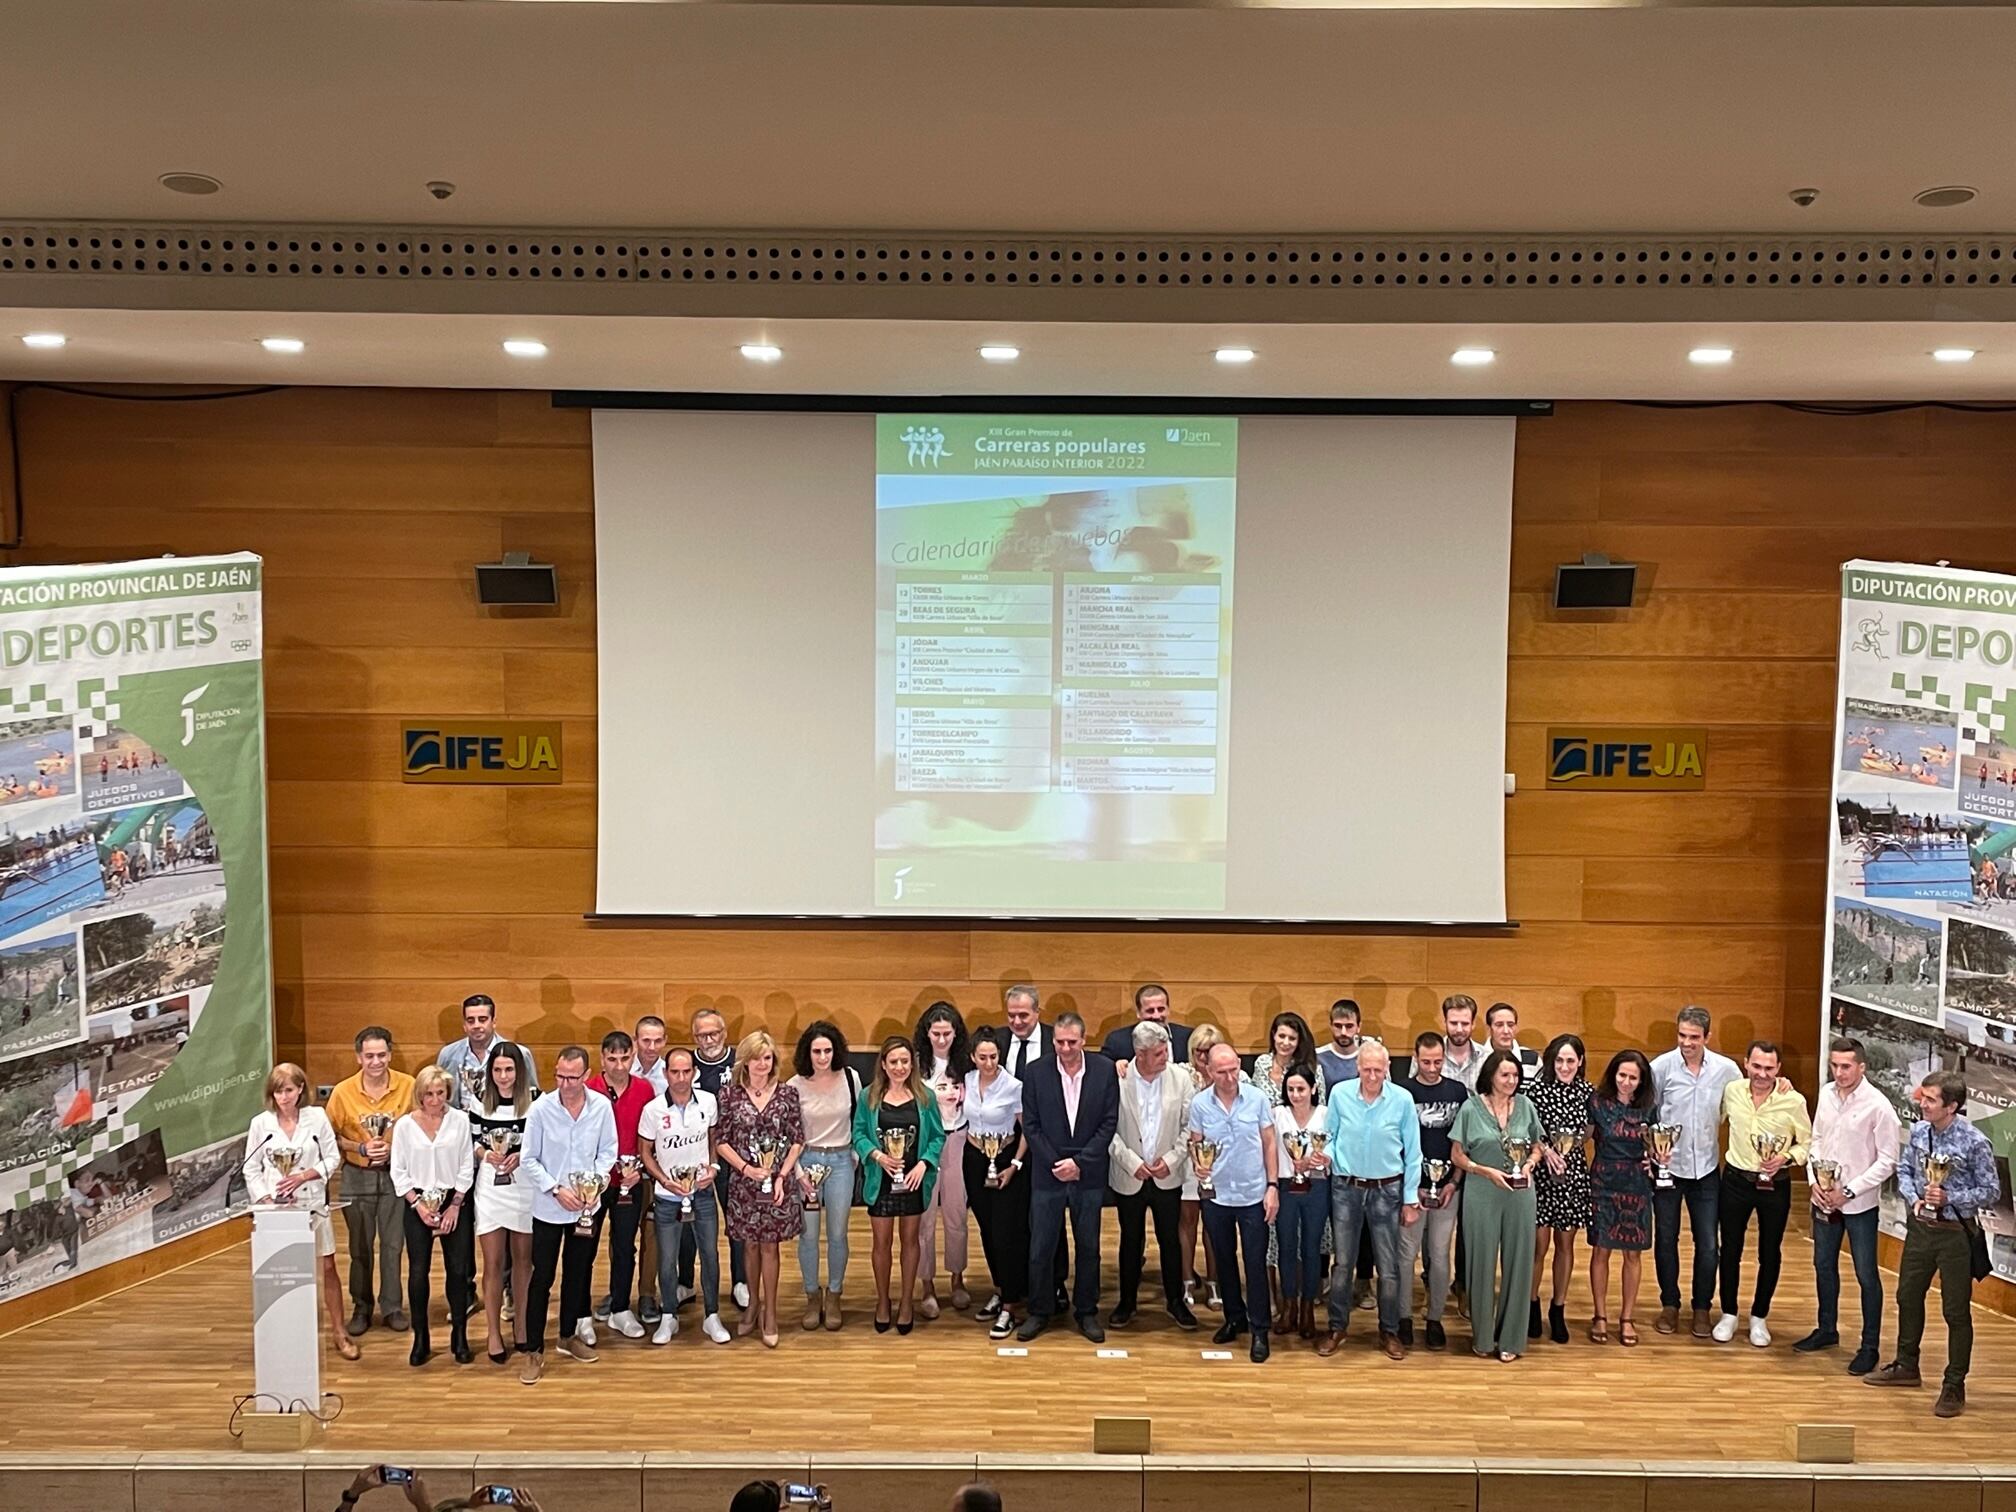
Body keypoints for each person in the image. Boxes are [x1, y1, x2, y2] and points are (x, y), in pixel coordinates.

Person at [1868, 1071, 2000, 1417]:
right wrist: (1914, 1200)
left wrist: (1949, 1197)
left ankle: (1954, 1384)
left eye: (1930, 1100)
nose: (1921, 1103)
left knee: (1955, 1311)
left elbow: (1991, 1191)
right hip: (1920, 1230)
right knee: (1907, 1295)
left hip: (1956, 1234)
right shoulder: (1920, 1131)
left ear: (1952, 1106)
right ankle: (1906, 1364)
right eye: (1923, 1097)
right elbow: (1907, 1172)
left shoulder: (1974, 1142)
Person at [1799, 1037, 1902, 1373]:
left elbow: (1888, 1160)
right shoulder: (1827, 1095)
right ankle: (1826, 1329)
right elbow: (1816, 1140)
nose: (1839, 1072)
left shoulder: (1879, 1106)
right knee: (1822, 1265)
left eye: (1846, 1066)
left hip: (1859, 1205)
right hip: (1824, 1198)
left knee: (1866, 1274)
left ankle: (1869, 1346)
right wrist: (1815, 1182)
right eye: (1834, 1065)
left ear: (1862, 1067)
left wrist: (1851, 1191)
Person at [1017, 1011, 1120, 1342]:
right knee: (1040, 1246)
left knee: (1088, 1246)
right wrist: (1056, 1162)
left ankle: (1086, 1311)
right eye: (1059, 1042)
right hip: (1048, 1172)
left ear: (1084, 1039)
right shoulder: (1035, 1073)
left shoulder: (1104, 1071)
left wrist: (1081, 1162)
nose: (1064, 1048)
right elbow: (1030, 1125)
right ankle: (1040, 1310)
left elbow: (1109, 1121)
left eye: (1071, 1042)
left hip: (1088, 1173)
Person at [518, 1045, 617, 1384]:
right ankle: (533, 1350)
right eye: (560, 1076)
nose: (565, 1083)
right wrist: (555, 1189)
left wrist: (594, 1186)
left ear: (586, 1075)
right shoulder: (541, 1109)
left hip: (586, 1208)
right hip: (549, 1207)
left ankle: (567, 1336)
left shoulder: (601, 1107)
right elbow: (528, 1159)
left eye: (573, 1077)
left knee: (578, 1273)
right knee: (542, 1277)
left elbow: (608, 1152)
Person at [244, 1063, 355, 1360]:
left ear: (301, 1090)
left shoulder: (316, 1118)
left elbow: (332, 1158)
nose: (284, 1097)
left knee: (328, 1267)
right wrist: (265, 1198)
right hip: (275, 1211)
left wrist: (305, 1176)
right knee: (283, 1270)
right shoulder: (261, 1124)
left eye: (289, 1090)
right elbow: (251, 1168)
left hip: (312, 1204)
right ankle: (285, 1334)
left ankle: (339, 1331)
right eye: (278, 1091)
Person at [1318, 1040, 1421, 1360]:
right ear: (1357, 1068)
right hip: (1346, 1188)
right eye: (1367, 1069)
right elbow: (1330, 1137)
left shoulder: (1402, 1100)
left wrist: (1409, 1199)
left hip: (1387, 1190)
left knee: (1388, 1268)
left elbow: (1413, 1153)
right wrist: (1325, 1156)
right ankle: (1337, 1326)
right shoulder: (1340, 1094)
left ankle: (1389, 1330)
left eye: (1378, 1070)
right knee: (1343, 1264)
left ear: (1388, 1068)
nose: (1373, 1076)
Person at [1649, 1005, 1742, 1338]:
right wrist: (1652, 1152)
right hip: (1668, 1171)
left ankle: (1702, 1306)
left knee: (1707, 1244)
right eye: (1682, 1035)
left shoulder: (1727, 1071)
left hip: (1706, 1170)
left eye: (1694, 1037)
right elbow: (1648, 1113)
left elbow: (1745, 1105)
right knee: (1665, 1239)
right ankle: (1670, 1305)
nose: (1687, 1043)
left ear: (1707, 1036)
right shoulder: (1660, 1067)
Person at [1713, 1040, 1811, 1348]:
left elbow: (1808, 1144)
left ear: (1779, 1069)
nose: (1762, 1074)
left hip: (1775, 1183)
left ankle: (1759, 1316)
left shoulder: (1793, 1100)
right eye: (1757, 1066)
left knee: (1770, 1252)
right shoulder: (1732, 1092)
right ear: (1746, 1063)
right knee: (1729, 1248)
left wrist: (1786, 1157)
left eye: (1769, 1068)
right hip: (1735, 1180)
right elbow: (1713, 1119)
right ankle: (1728, 1313)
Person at [1451, 1049, 1543, 1362]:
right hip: (1481, 1191)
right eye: (1505, 1075)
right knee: (1481, 1262)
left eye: (1515, 1075)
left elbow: (1537, 1146)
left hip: (1520, 1195)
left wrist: (1529, 1164)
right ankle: (1483, 1336)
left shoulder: (1527, 1106)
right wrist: (1483, 1170)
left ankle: (1511, 1339)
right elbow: (1457, 1155)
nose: (1511, 1080)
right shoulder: (1470, 1108)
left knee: (1519, 1263)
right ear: (1490, 1075)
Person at [636, 1047, 732, 1347]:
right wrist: (663, 1179)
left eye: (686, 1071)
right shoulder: (652, 1110)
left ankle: (712, 1315)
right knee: (666, 1259)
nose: (680, 1078)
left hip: (702, 1192)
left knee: (710, 1256)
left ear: (694, 1073)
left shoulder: (708, 1101)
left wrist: (714, 1168)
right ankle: (669, 1316)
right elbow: (645, 1152)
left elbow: (715, 1138)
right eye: (674, 1072)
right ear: (666, 1074)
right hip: (667, 1197)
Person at [1189, 1042, 1279, 1362]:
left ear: (1239, 1064)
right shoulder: (1200, 1104)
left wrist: (1272, 1186)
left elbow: (1270, 1143)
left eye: (1232, 1070)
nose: (1228, 1077)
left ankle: (1259, 1329)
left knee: (1254, 1263)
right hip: (1217, 1195)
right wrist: (1198, 1164)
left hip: (1254, 1193)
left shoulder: (1256, 1098)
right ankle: (1233, 1317)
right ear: (1209, 1071)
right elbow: (1196, 1144)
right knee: (1223, 1260)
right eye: (1221, 1072)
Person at [717, 1030, 805, 1348]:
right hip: (743, 1183)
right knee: (749, 1246)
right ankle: (752, 1303)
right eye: (756, 1058)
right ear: (745, 1060)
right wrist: (745, 1168)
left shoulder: (787, 1094)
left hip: (778, 1183)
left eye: (767, 1058)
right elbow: (721, 1140)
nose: (761, 1064)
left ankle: (770, 1312)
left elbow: (798, 1138)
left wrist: (781, 1175)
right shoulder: (729, 1095)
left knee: (771, 1246)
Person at [326, 1025, 416, 1336]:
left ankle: (392, 1306)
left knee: (393, 1245)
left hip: (394, 1177)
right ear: (358, 1057)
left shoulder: (409, 1087)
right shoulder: (342, 1092)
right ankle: (361, 1307)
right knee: (359, 1247)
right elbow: (329, 1137)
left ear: (390, 1055)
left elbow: (421, 1128)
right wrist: (359, 1147)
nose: (376, 1062)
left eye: (381, 1055)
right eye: (369, 1056)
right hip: (356, 1175)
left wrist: (396, 1149)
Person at [1108, 1020, 1197, 1331]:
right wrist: (1131, 1161)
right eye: (1159, 1053)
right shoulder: (1115, 1079)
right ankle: (1127, 1303)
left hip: (1167, 1175)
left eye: (1166, 1050)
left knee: (1170, 1240)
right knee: (1130, 1240)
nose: (1165, 1057)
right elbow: (1106, 1127)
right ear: (1140, 1054)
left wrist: (1171, 1160)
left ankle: (1175, 1301)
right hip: (1129, 1173)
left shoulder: (1181, 1079)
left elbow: (1190, 1127)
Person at [853, 1033, 945, 1334]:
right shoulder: (869, 1096)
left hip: (914, 1181)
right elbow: (859, 1135)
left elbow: (937, 1136)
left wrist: (923, 1164)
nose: (900, 1067)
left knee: (910, 1241)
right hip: (881, 1181)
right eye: (894, 1061)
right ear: (883, 1063)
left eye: (905, 1061)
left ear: (912, 1064)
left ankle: (906, 1301)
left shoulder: (925, 1097)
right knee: (882, 1243)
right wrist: (877, 1156)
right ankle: (883, 1301)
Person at [390, 1065, 475, 1367]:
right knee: (417, 1272)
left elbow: (467, 1164)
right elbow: (397, 1170)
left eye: (441, 1093)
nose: (435, 1100)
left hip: (455, 1202)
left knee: (458, 1270)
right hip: (418, 1203)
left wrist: (455, 1205)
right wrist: (418, 1206)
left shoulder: (460, 1121)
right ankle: (421, 1337)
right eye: (429, 1094)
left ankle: (460, 1336)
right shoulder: (404, 1126)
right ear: (420, 1095)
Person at [788, 1020, 859, 1331]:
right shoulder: (794, 1085)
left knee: (838, 1234)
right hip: (807, 1162)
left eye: (828, 1050)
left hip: (842, 1160)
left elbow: (860, 1119)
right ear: (808, 1052)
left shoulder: (851, 1078)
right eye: (816, 1051)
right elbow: (790, 1134)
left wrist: (854, 1156)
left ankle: (834, 1294)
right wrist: (799, 1171)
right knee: (808, 1234)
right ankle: (811, 1295)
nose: (822, 1057)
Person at [1397, 1032, 1466, 1351]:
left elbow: (1463, 1143)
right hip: (1412, 1189)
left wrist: (1453, 1182)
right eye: (1426, 1062)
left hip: (1447, 1189)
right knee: (1406, 1255)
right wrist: (1410, 1190)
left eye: (1438, 1061)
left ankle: (1434, 1317)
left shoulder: (1457, 1090)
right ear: (1415, 1058)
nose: (1432, 1067)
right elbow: (1396, 1145)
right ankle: (1403, 1318)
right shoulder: (1402, 1093)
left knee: (1439, 1255)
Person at [587, 1030, 656, 1342]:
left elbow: (649, 1138)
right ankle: (578, 1312)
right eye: (611, 1058)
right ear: (602, 1059)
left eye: (624, 1058)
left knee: (625, 1246)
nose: (618, 1065)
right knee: (583, 1247)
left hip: (630, 1181)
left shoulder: (644, 1089)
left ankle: (619, 1308)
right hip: (592, 1185)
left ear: (632, 1058)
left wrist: (638, 1170)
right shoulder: (589, 1089)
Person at [468, 1041, 534, 1364]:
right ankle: (493, 1332)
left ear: (518, 1071)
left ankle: (521, 1324)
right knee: (492, 1264)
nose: (504, 1076)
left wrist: (521, 1156)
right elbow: (473, 1141)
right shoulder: (479, 1101)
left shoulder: (535, 1101)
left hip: (524, 1187)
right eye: (497, 1070)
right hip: (492, 1187)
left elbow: (541, 1142)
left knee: (524, 1262)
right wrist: (486, 1154)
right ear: (490, 1072)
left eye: (509, 1069)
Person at [681, 1007, 748, 1314]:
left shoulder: (741, 1062)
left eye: (713, 1034)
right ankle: (685, 1281)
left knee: (736, 1219)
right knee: (688, 1219)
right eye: (701, 1035)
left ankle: (741, 1281)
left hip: (734, 1155)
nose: (708, 1040)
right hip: (694, 1159)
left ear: (724, 1034)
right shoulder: (685, 1066)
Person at [1586, 1049, 1655, 1347]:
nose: (1626, 1082)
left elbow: (1656, 1145)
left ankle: (1627, 1317)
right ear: (1613, 1075)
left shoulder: (1649, 1109)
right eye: (1621, 1075)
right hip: (1603, 1183)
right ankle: (1599, 1314)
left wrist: (1657, 1160)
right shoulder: (1598, 1103)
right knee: (1600, 1250)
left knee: (1633, 1254)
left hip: (1637, 1184)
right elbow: (1583, 1136)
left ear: (1641, 1081)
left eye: (1632, 1077)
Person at [964, 1029, 1030, 1340]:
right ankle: (1000, 1288)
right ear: (972, 1057)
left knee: (1006, 1233)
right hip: (974, 1159)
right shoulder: (966, 1081)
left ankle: (1011, 1303)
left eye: (993, 1056)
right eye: (982, 1057)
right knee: (987, 1229)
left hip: (1004, 1162)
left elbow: (1027, 1128)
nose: (988, 1062)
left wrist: (1015, 1164)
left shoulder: (1013, 1086)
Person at [1529, 1033, 1593, 1346]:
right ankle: (1530, 1306)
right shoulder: (1536, 1090)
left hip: (1572, 1175)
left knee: (1565, 1245)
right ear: (1551, 1062)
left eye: (1571, 1060)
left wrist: (1571, 1148)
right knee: (1537, 1246)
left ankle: (1558, 1307)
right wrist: (1546, 1150)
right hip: (1541, 1173)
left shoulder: (1588, 1093)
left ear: (1580, 1062)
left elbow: (1591, 1129)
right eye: (1559, 1060)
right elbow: (1527, 1130)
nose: (1565, 1066)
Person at [915, 1001, 974, 1318]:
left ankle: (957, 1278)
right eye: (935, 1033)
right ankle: (927, 1285)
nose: (941, 1040)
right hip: (925, 1146)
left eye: (946, 1034)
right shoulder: (915, 1065)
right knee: (924, 1218)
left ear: (956, 1034)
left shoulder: (966, 1063)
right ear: (926, 1033)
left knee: (956, 1215)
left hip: (958, 1140)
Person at [1271, 1066, 1329, 1345]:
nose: (1296, 1095)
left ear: (1313, 1088)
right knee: (1286, 1246)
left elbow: (1334, 1144)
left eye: (1301, 1089)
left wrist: (1321, 1158)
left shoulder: (1326, 1115)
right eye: (1291, 1089)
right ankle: (1289, 1306)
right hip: (1286, 1184)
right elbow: (1269, 1147)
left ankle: (1308, 1308)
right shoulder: (1278, 1114)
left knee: (1311, 1246)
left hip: (1317, 1185)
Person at [1180, 1023, 1236, 1311]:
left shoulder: (1232, 1077)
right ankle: (1187, 1280)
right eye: (1198, 1051)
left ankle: (1216, 1282)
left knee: (1214, 1225)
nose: (1202, 1057)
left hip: (1223, 1163)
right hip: (1189, 1160)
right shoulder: (1179, 1073)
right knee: (1187, 1222)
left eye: (1208, 1051)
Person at [621, 1013, 670, 1327]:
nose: (651, 1047)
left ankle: (648, 1294)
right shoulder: (623, 1070)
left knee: (653, 1235)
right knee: (622, 1236)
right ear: (635, 1041)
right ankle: (619, 1294)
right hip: (624, 1171)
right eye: (645, 1040)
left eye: (657, 1041)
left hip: (660, 1168)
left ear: (664, 1042)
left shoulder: (675, 1074)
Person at [435, 993, 537, 1112]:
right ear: (464, 1025)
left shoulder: (520, 1054)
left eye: (482, 1020)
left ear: (494, 1022)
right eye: (470, 1021)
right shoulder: (448, 1054)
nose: (476, 1025)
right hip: (460, 1125)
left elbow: (532, 1095)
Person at [1100, 982, 1192, 1062]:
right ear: (1138, 1013)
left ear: (1168, 1010)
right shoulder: (1117, 1041)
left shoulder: (1188, 1037)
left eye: (1161, 1009)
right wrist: (1115, 1065)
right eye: (1150, 1010)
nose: (1156, 1016)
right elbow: (1103, 1071)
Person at [1483, 1003, 1541, 1085]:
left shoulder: (1533, 1059)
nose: (1506, 1031)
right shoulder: (1477, 1057)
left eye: (1510, 1025)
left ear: (1516, 1028)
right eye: (1499, 1025)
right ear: (1489, 1029)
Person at [1316, 999, 1363, 1088]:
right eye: (1338, 1026)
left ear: (1359, 1027)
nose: (1343, 1032)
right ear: (1331, 1026)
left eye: (1349, 1026)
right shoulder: (1317, 1057)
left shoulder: (1370, 1057)